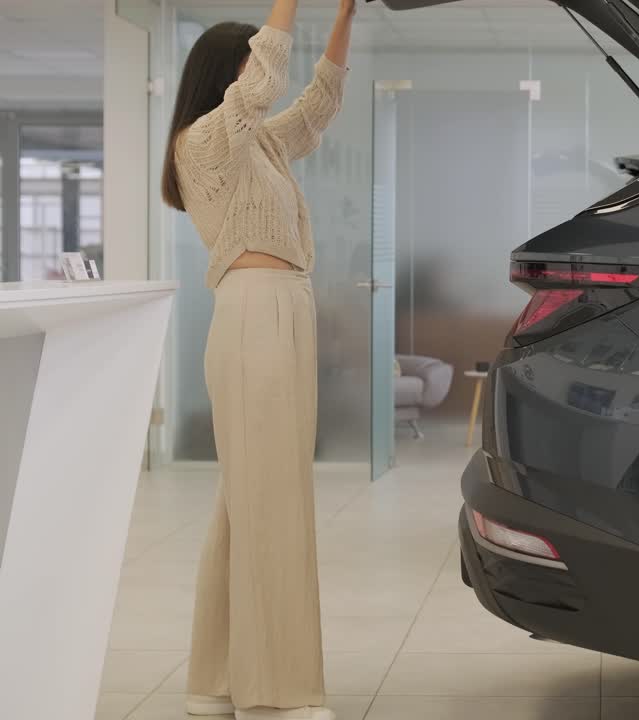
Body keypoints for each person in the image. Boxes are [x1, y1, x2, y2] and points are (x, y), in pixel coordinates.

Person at [159, 0, 353, 718]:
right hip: (255, 312)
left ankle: (217, 679)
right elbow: (269, 76)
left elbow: (318, 101)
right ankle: (276, 694)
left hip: (281, 311)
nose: (259, 75)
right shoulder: (205, 138)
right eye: (247, 66)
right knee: (270, 501)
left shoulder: (258, 146)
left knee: (248, 503)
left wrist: (346, 13)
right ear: (225, 75)